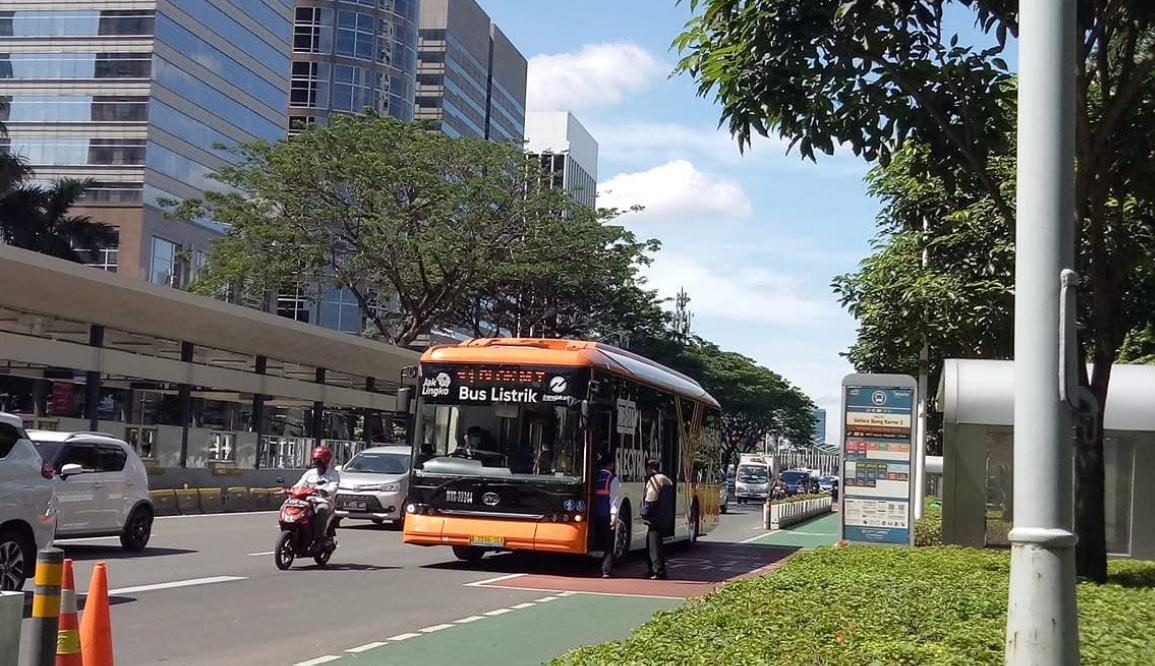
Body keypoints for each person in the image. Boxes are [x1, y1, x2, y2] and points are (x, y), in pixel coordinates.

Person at [293, 446, 340, 547]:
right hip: (307, 500)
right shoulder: (309, 473)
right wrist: (291, 489)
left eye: (320, 460)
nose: (317, 462)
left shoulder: (333, 474)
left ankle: (319, 537)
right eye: (315, 460)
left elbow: (333, 487)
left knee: (321, 510)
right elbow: (300, 484)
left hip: (323, 501)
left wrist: (325, 491)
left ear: (326, 460)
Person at [641, 459, 673, 580]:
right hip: (664, 516)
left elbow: (651, 500)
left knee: (654, 547)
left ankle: (658, 571)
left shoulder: (655, 480)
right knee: (654, 545)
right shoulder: (666, 479)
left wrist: (644, 513)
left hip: (655, 519)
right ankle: (654, 569)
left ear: (650, 468)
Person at [593, 453, 621, 578]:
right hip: (606, 514)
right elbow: (613, 500)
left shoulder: (594, 476)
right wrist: (613, 516)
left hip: (594, 514)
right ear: (612, 465)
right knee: (608, 544)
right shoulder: (612, 479)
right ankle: (606, 570)